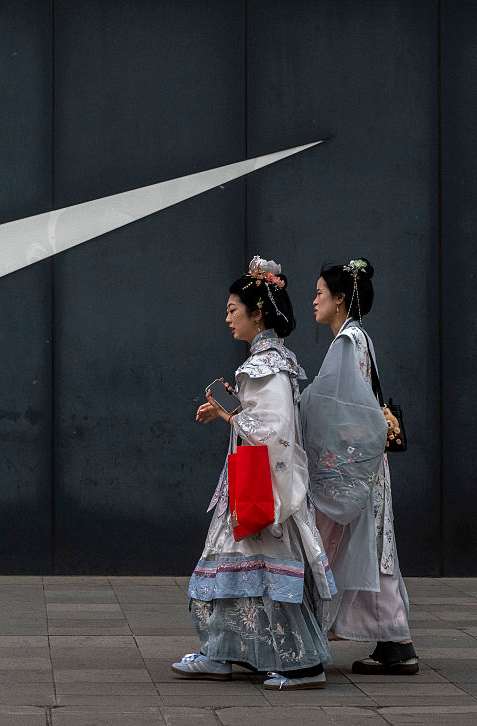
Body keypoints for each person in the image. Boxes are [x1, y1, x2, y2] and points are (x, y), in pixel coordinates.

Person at [172, 256, 336, 690]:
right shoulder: (274, 361)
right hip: (259, 482)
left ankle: (302, 665)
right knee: (242, 570)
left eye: (233, 309)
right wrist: (232, 411)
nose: (228, 318)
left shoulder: (264, 366)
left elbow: (274, 431)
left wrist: (230, 415)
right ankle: (223, 653)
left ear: (257, 311)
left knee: (257, 572)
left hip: (261, 488)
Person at [299, 259, 418, 674]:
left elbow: (335, 405)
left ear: (340, 299)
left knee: (349, 542)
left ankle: (384, 640)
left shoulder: (347, 342)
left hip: (352, 466)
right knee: (371, 546)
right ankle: (393, 641)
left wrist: (293, 405)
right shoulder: (358, 338)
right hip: (365, 463)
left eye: (320, 293)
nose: (314, 300)